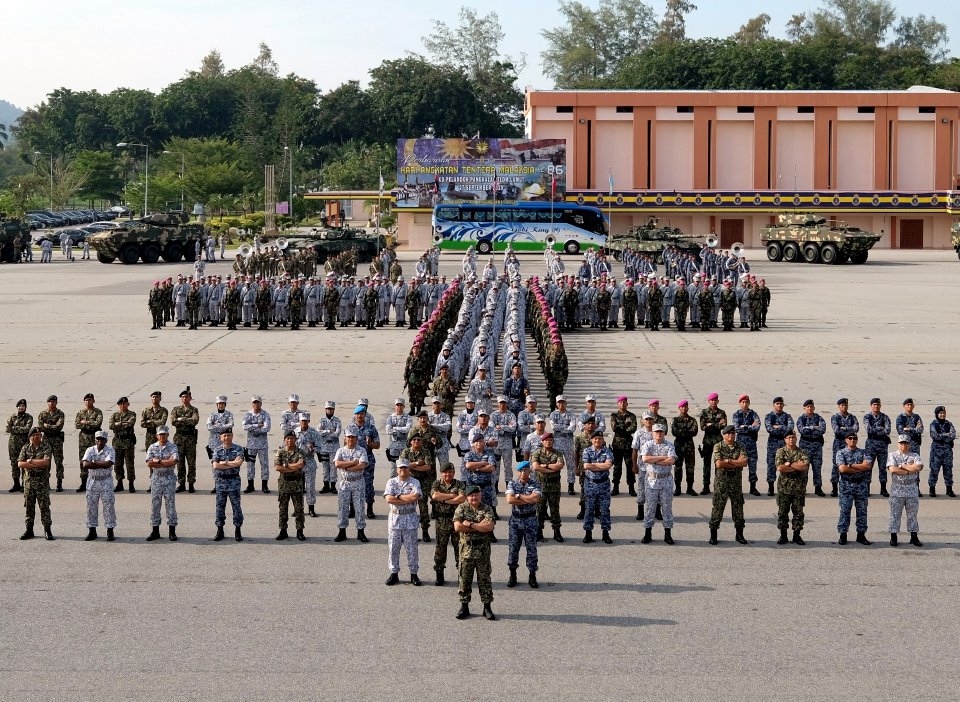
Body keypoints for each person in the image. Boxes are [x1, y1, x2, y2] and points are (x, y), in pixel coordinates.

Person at [453, 485, 497, 621]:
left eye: (476, 495)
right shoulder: (461, 508)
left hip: (483, 550)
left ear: (480, 495)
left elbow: (489, 527)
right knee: (464, 579)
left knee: (485, 579)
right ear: (467, 497)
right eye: (471, 495)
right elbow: (457, 527)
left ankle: (487, 607)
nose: (474, 498)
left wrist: (470, 525)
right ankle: (464, 606)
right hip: (466, 550)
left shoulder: (487, 508)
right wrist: (479, 526)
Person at [383, 457, 423, 586]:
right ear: (397, 469)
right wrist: (407, 499)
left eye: (405, 467)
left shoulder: (414, 482)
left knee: (412, 548)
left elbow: (415, 496)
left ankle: (414, 574)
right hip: (395, 519)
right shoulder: (391, 482)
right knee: (393, 548)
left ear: (409, 469)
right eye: (400, 468)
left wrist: (398, 496)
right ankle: (394, 573)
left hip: (410, 518)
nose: (403, 470)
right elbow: (389, 499)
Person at [708, 426, 748, 545]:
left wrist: (728, 461)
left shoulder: (740, 446)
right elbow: (719, 464)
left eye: (733, 433)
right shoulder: (718, 446)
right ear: (723, 435)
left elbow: (744, 462)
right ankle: (713, 535)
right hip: (722, 483)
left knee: (738, 509)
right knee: (718, 508)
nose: (731, 436)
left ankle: (739, 534)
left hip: (736, 483)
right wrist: (736, 463)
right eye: (728, 434)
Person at [639, 424, 677, 545]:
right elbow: (645, 459)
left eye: (661, 432)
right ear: (653, 433)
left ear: (664, 433)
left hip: (666, 480)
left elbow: (671, 460)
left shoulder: (669, 445)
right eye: (656, 432)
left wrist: (654, 459)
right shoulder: (648, 444)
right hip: (651, 480)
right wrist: (662, 458)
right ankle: (648, 533)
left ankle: (667, 534)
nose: (658, 434)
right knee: (650, 508)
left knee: (667, 508)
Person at [505, 461, 541, 589]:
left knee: (532, 549)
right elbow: (510, 500)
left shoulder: (535, 483)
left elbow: (535, 499)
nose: (523, 473)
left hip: (530, 519)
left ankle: (532, 575)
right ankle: (512, 575)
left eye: (526, 470)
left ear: (529, 471)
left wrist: (519, 496)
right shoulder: (512, 483)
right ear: (517, 472)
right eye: (521, 470)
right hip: (516, 521)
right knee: (513, 548)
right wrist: (527, 498)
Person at [430, 462, 465, 586]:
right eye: (445, 472)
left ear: (454, 472)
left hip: (456, 521)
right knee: (440, 548)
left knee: (459, 549)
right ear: (441, 473)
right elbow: (434, 495)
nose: (448, 474)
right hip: (441, 521)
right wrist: (451, 496)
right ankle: (439, 575)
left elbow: (461, 498)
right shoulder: (437, 483)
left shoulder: (459, 484)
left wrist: (443, 499)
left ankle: (462, 576)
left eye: (450, 472)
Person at [835, 432, 873, 545]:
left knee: (862, 511)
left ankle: (861, 535)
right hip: (846, 485)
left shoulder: (863, 452)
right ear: (846, 440)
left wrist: (850, 465)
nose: (852, 440)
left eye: (854, 438)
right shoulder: (840, 452)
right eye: (850, 438)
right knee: (845, 511)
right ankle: (843, 534)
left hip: (861, 485)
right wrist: (860, 468)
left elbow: (868, 466)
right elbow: (842, 469)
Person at [334, 426, 369, 543]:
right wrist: (353, 462)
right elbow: (337, 464)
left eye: (353, 437)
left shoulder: (361, 450)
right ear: (345, 438)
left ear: (357, 439)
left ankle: (361, 532)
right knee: (343, 507)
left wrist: (348, 467)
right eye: (349, 437)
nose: (351, 439)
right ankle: (342, 531)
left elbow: (363, 465)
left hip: (358, 481)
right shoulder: (340, 451)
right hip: (345, 482)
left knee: (359, 507)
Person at [887, 434, 924, 547]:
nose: (904, 445)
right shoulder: (892, 455)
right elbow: (893, 469)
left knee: (912, 514)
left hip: (911, 489)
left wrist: (902, 466)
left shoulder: (915, 455)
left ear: (909, 444)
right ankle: (893, 536)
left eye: (906, 443)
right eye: (902, 443)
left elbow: (918, 467)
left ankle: (914, 536)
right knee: (895, 514)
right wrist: (909, 470)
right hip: (897, 489)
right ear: (898, 444)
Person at [774, 431, 810, 545]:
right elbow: (780, 468)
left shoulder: (802, 452)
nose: (791, 439)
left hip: (799, 488)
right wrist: (796, 466)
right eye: (789, 437)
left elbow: (805, 466)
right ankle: (783, 535)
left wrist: (789, 464)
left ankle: (797, 535)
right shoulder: (780, 451)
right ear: (785, 439)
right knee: (783, 512)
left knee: (798, 513)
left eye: (793, 437)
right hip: (784, 488)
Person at [18, 427, 54, 541]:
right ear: (30, 437)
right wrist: (36, 464)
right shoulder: (25, 447)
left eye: (38, 435)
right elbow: (20, 464)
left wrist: (31, 461)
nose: (36, 437)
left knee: (44, 507)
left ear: (41, 436)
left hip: (41, 482)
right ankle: (29, 530)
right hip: (28, 482)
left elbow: (46, 462)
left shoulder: (46, 447)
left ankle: (47, 530)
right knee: (29, 507)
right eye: (33, 435)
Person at [145, 426, 179, 542]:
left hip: (169, 478)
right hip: (156, 479)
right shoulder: (152, 447)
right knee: (155, 505)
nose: (162, 436)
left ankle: (172, 531)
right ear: (156, 436)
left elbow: (174, 461)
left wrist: (158, 461)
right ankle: (155, 531)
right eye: (160, 434)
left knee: (170, 505)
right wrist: (165, 462)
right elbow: (149, 463)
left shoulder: (173, 447)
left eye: (164, 434)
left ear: (168, 435)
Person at [82, 430, 117, 541]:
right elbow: (85, 464)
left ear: (106, 440)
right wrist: (100, 463)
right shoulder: (90, 450)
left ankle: (110, 530)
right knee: (91, 507)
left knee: (108, 507)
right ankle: (92, 531)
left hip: (106, 481)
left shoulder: (110, 450)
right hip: (92, 482)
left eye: (102, 439)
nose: (99, 441)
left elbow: (108, 464)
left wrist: (94, 462)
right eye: (98, 439)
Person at [211, 427, 245, 542]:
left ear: (232, 436)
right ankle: (220, 530)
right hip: (221, 481)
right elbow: (215, 465)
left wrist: (224, 463)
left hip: (234, 481)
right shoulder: (217, 450)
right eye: (224, 436)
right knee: (220, 507)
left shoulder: (238, 448)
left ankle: (238, 530)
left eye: (229, 435)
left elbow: (239, 462)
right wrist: (232, 463)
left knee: (236, 506)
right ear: (221, 438)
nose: (226, 438)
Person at [580, 430, 614, 544]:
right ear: (591, 440)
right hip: (590, 484)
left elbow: (608, 465)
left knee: (605, 510)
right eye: (595, 439)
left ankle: (606, 534)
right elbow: (586, 466)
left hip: (604, 484)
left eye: (599, 438)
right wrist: (601, 465)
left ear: (602, 440)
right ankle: (588, 534)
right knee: (589, 509)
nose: (597, 440)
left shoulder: (607, 451)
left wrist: (593, 464)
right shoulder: (587, 451)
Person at [531, 432, 564, 542]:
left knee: (555, 509)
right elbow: (535, 467)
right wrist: (551, 469)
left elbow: (560, 465)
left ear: (553, 441)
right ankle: (539, 531)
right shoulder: (537, 453)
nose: (548, 442)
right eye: (546, 440)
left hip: (554, 485)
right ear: (542, 442)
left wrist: (544, 466)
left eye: (550, 440)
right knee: (539, 510)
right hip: (541, 485)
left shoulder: (558, 453)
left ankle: (557, 531)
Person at [275, 431, 307, 541]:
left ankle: (300, 531)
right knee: (283, 509)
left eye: (292, 438)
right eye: (288, 438)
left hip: (297, 484)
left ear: (295, 439)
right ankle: (283, 531)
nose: (290, 440)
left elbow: (301, 465)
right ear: (285, 440)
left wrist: (287, 466)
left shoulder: (300, 452)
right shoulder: (280, 452)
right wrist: (293, 467)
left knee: (299, 509)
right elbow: (278, 467)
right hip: (284, 484)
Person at [170, 387, 200, 493]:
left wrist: (181, 419)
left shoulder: (194, 409)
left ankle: (191, 484)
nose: (184, 398)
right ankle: (181, 483)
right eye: (183, 397)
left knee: (191, 462)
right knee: (180, 462)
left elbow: (195, 421)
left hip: (190, 439)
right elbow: (173, 421)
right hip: (179, 438)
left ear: (190, 398)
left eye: (186, 397)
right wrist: (187, 420)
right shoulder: (176, 409)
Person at [731, 394, 761, 495]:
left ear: (749, 403)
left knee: (753, 467)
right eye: (743, 402)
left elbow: (757, 426)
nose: (745, 404)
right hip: (740, 445)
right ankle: (737, 488)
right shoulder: (736, 414)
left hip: (752, 444)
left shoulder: (753, 414)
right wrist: (749, 426)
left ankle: (753, 488)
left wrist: (744, 426)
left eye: (746, 402)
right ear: (740, 403)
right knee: (737, 466)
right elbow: (736, 428)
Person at [764, 397, 794, 496]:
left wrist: (777, 426)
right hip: (772, 443)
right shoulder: (769, 416)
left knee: (786, 463)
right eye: (777, 403)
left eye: (781, 403)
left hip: (784, 443)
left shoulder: (787, 416)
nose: (779, 405)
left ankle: (786, 486)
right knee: (771, 464)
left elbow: (790, 428)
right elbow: (769, 428)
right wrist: (782, 427)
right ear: (774, 405)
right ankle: (771, 486)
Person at [796, 399, 827, 497]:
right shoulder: (801, 419)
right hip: (804, 447)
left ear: (814, 408)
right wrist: (815, 427)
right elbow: (802, 430)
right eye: (807, 407)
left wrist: (808, 428)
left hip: (817, 447)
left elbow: (822, 430)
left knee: (817, 468)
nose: (809, 408)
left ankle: (818, 488)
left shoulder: (819, 418)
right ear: (804, 408)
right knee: (803, 468)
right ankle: (802, 488)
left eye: (811, 407)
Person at [829, 398, 859, 497]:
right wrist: (849, 431)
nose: (844, 407)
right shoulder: (835, 417)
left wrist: (844, 429)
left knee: (850, 464)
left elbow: (856, 429)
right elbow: (836, 430)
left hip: (850, 443)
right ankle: (834, 488)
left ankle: (849, 486)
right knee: (836, 465)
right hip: (838, 443)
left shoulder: (852, 417)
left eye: (845, 405)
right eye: (842, 405)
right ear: (839, 406)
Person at [243, 396, 272, 494]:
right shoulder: (248, 414)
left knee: (264, 465)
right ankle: (250, 485)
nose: (256, 404)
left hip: (262, 445)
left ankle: (265, 485)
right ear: (252, 404)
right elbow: (244, 426)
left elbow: (267, 428)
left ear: (261, 403)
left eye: (258, 402)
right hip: (251, 445)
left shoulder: (265, 415)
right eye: (254, 403)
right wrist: (257, 425)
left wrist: (252, 427)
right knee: (250, 465)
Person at [36, 395, 66, 493]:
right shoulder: (42, 413)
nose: (51, 403)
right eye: (49, 401)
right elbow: (40, 427)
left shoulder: (60, 413)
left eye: (53, 401)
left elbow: (59, 427)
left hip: (57, 440)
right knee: (46, 462)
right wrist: (50, 426)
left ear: (56, 403)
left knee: (59, 462)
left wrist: (47, 425)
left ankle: (59, 483)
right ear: (47, 403)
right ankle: (46, 482)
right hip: (46, 440)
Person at [295, 412, 322, 518]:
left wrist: (312, 449)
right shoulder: (295, 432)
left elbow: (320, 447)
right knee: (297, 487)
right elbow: (288, 444)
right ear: (299, 421)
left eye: (306, 421)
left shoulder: (314, 433)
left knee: (310, 487)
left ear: (309, 421)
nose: (304, 423)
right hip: (297, 463)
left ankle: (311, 509)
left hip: (309, 462)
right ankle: (298, 509)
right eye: (302, 421)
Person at [74, 392, 103, 492]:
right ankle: (83, 482)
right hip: (83, 438)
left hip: (94, 439)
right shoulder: (81, 412)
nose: (88, 401)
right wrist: (89, 423)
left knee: (95, 459)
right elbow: (77, 424)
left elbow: (97, 423)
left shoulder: (98, 412)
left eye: (90, 400)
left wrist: (85, 422)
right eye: (86, 400)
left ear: (93, 401)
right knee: (83, 460)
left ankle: (96, 481)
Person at [863, 398, 891, 497]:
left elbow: (887, 430)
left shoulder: (885, 417)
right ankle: (866, 488)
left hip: (882, 445)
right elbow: (868, 430)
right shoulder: (867, 417)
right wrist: (880, 428)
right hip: (870, 445)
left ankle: (883, 488)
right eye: (874, 404)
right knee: (868, 466)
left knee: (883, 467)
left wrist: (876, 429)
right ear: (871, 406)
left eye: (878, 405)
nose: (876, 406)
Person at [610, 395, 638, 497]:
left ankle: (631, 487)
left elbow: (633, 428)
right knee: (617, 467)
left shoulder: (632, 416)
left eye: (624, 402)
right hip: (617, 445)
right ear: (618, 404)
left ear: (627, 404)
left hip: (628, 444)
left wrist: (621, 427)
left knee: (630, 466)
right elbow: (614, 428)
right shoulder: (614, 415)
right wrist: (626, 426)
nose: (622, 404)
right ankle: (615, 487)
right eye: (620, 402)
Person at [698, 393, 726, 495]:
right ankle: (706, 486)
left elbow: (723, 426)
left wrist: (711, 424)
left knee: (718, 464)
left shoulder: (722, 412)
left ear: (718, 401)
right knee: (706, 465)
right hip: (707, 442)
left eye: (715, 400)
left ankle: (717, 486)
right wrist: (717, 424)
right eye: (711, 400)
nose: (713, 402)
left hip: (718, 441)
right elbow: (703, 427)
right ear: (709, 401)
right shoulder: (704, 412)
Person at [205, 395, 234, 494]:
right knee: (214, 463)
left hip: (225, 442)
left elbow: (230, 425)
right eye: (219, 404)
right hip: (213, 443)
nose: (221, 405)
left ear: (225, 405)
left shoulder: (229, 414)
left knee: (226, 462)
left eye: (222, 404)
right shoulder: (212, 414)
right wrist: (223, 427)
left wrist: (218, 425)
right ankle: (217, 484)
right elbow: (209, 426)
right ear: (217, 405)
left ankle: (227, 483)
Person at [109, 396, 138, 493]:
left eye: (125, 403)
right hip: (117, 441)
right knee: (118, 464)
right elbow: (111, 425)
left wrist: (118, 424)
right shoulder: (114, 415)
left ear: (128, 404)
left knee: (130, 464)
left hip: (128, 441)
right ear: (118, 405)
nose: (123, 405)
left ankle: (131, 484)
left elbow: (130, 423)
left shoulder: (132, 414)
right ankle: (119, 483)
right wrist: (121, 424)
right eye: (121, 404)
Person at [671, 400, 699, 496]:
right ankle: (677, 488)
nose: (684, 408)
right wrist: (687, 431)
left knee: (690, 467)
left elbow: (694, 432)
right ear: (679, 408)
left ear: (688, 408)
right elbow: (674, 432)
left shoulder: (693, 420)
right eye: (682, 407)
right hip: (678, 446)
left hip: (689, 446)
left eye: (685, 407)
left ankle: (690, 488)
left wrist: (682, 431)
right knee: (678, 468)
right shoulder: (675, 420)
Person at [927, 405, 956, 497]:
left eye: (944, 413)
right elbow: (934, 436)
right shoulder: (933, 424)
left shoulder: (949, 424)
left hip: (947, 452)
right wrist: (945, 435)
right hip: (936, 452)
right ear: (936, 414)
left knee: (948, 470)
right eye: (940, 413)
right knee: (934, 470)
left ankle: (949, 489)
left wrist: (941, 436)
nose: (942, 415)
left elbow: (953, 435)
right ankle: (932, 489)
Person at [6, 399, 32, 493]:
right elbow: (8, 429)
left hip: (24, 444)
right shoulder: (13, 417)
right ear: (17, 407)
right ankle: (16, 484)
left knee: (24, 463)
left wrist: (15, 428)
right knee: (14, 464)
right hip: (13, 443)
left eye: (23, 406)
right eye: (19, 406)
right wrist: (18, 429)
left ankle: (24, 484)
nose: (21, 407)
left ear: (25, 407)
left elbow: (27, 429)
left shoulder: (29, 417)